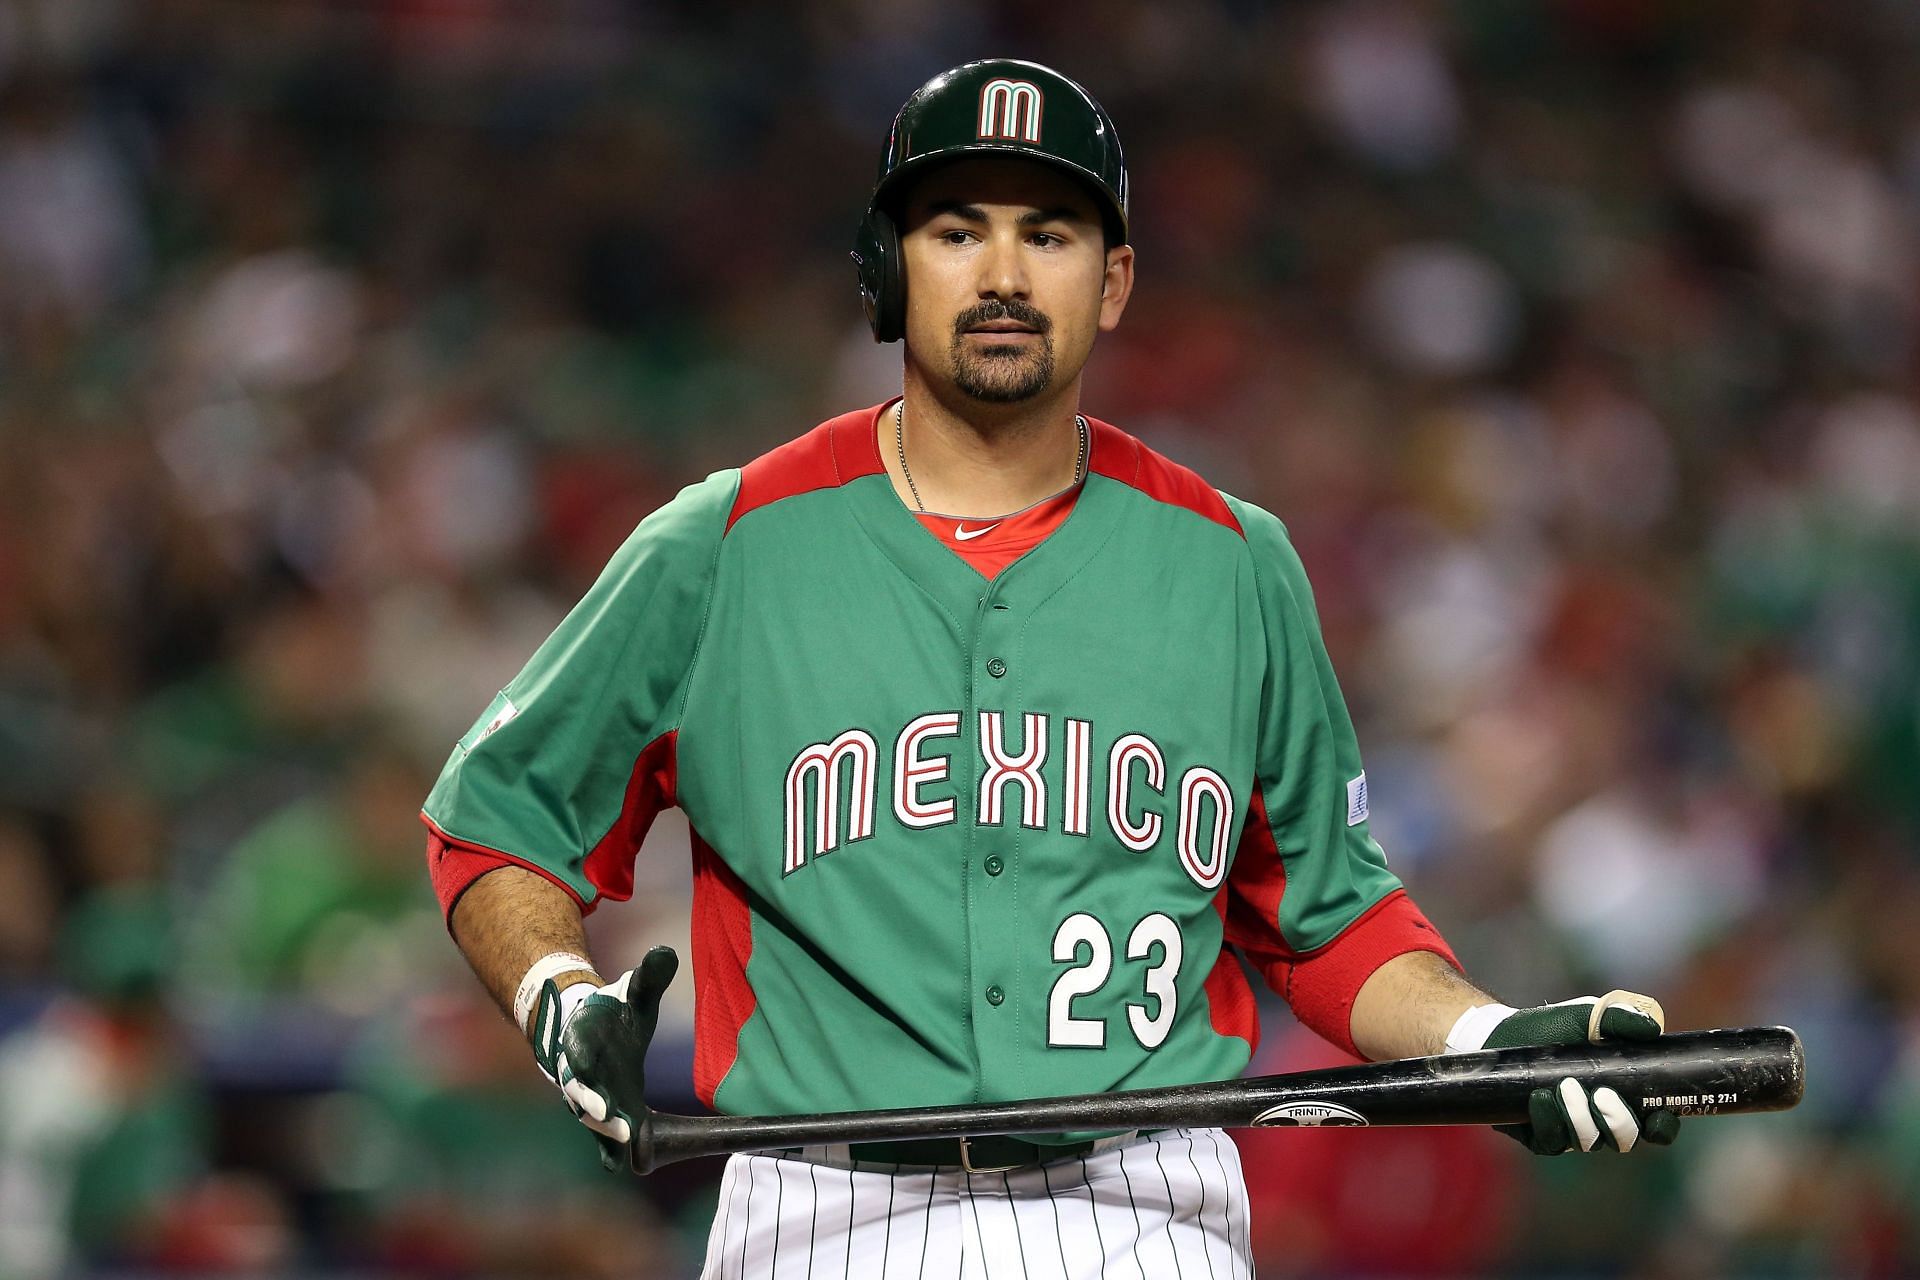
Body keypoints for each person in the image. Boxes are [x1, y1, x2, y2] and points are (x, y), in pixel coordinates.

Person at [419, 58, 1679, 1279]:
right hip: (817, 1210)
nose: (1007, 274)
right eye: (958, 230)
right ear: (885, 266)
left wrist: (1488, 1038)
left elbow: (1331, 921)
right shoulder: (728, 543)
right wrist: (556, 994)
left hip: (1145, 1210)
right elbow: (498, 820)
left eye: (1054, 233)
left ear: (1115, 279)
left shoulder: (1234, 562)